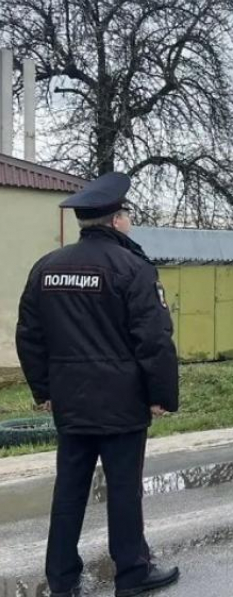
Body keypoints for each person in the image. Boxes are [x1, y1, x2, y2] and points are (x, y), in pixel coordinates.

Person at [15, 173, 180, 597]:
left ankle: (61, 579)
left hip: (71, 403)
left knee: (68, 490)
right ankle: (132, 574)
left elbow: (29, 335)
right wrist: (161, 396)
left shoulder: (46, 268)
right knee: (124, 490)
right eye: (127, 216)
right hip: (123, 404)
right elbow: (154, 338)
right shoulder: (133, 268)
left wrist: (45, 391)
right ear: (116, 220)